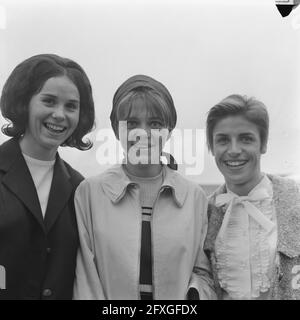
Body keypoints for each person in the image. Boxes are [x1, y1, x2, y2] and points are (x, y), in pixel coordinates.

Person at [73, 74, 215, 300]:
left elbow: (203, 273)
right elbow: (85, 280)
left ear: (169, 130)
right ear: (116, 129)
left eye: (155, 124)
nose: (144, 133)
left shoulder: (194, 196)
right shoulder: (89, 193)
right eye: (132, 124)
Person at [0, 54, 95, 299]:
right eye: (49, 101)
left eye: (71, 106)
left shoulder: (79, 187)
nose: (60, 114)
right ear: (24, 102)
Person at [204, 94, 300, 300]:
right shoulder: (204, 212)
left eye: (246, 139)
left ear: (263, 144)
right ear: (212, 147)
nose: (234, 150)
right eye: (223, 140)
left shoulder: (296, 198)